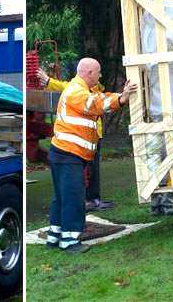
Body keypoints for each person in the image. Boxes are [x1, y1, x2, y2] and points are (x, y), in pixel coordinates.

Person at [46, 57, 136, 253]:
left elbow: (99, 96)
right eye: (98, 72)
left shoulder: (78, 88)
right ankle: (70, 241)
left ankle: (54, 236)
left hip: (64, 153)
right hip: (69, 153)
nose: (100, 75)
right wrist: (121, 99)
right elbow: (94, 103)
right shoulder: (77, 92)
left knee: (62, 196)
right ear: (89, 73)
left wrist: (121, 94)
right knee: (74, 197)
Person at [37, 66, 113, 211]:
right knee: (84, 169)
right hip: (83, 139)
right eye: (98, 74)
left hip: (94, 136)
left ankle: (93, 198)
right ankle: (87, 200)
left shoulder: (93, 89)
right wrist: (48, 81)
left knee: (93, 168)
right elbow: (63, 86)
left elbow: (103, 99)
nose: (100, 76)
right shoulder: (77, 89)